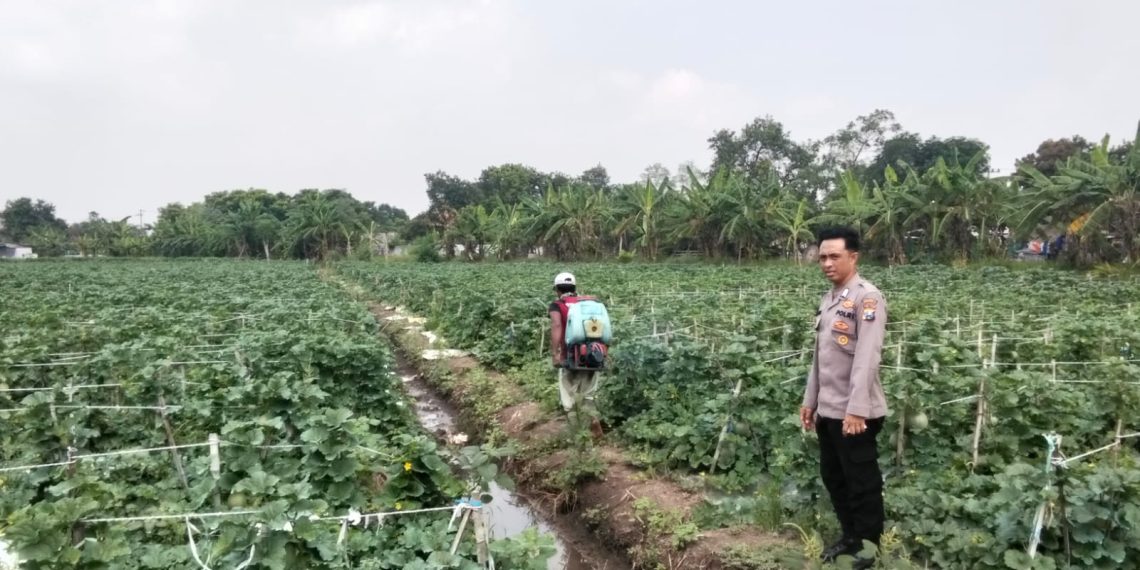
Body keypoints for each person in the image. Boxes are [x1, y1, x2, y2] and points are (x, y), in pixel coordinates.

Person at [800, 227, 889, 568]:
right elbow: (820, 359)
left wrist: (857, 411)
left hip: (855, 412)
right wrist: (811, 401)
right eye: (822, 257)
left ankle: (868, 547)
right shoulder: (830, 298)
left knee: (861, 481)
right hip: (829, 409)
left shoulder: (867, 298)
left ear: (854, 257)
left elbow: (867, 358)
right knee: (834, 477)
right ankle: (850, 536)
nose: (826, 263)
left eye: (834, 256)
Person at [548, 272, 605, 439]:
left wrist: (555, 353)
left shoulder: (557, 305)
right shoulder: (589, 302)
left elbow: (557, 325)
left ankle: (575, 430)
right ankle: (593, 420)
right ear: (575, 288)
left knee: (568, 392)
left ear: (557, 290)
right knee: (588, 392)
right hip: (593, 354)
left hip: (570, 355)